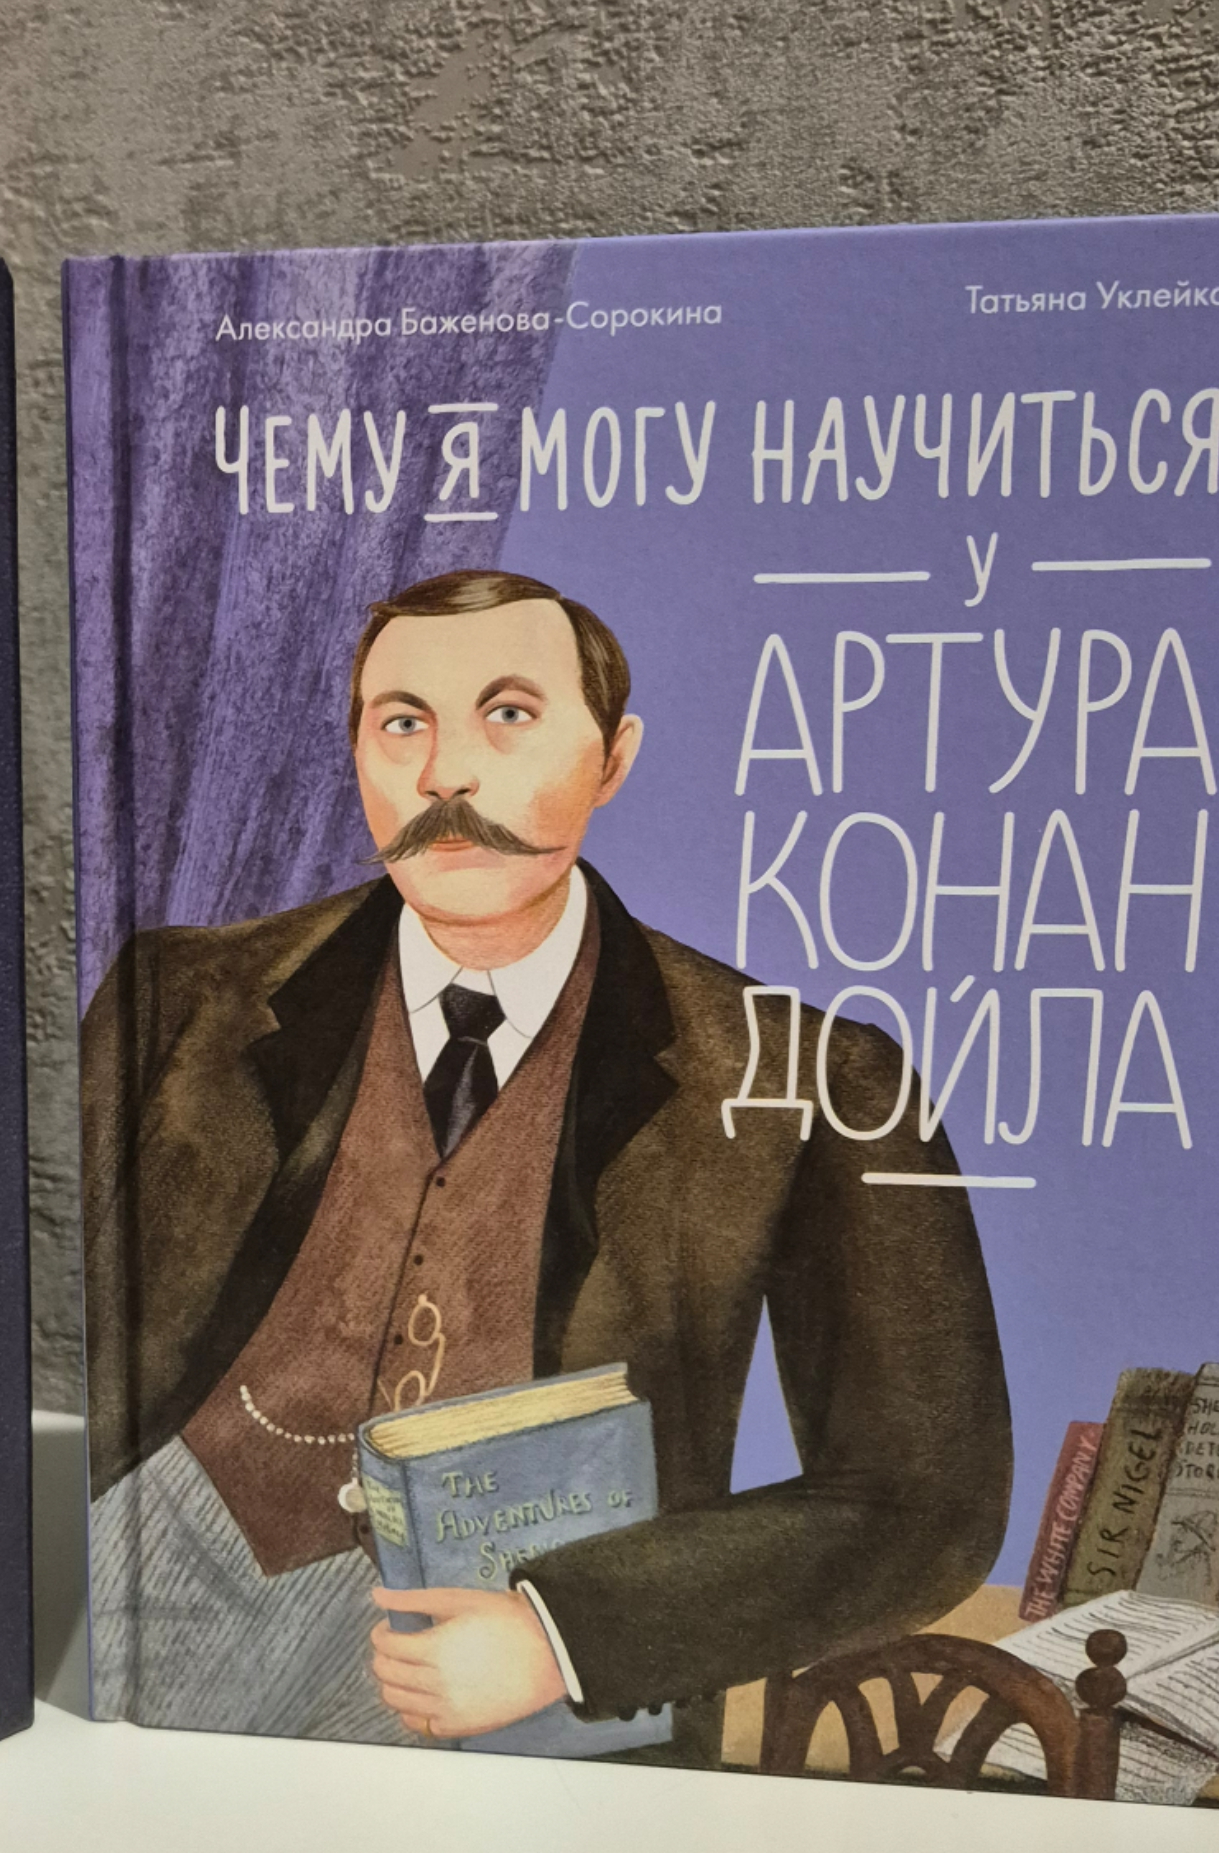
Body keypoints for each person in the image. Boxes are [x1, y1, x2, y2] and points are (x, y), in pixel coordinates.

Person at [81, 569, 1011, 1762]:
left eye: (508, 714)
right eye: (401, 722)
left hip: (505, 1655)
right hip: (147, 1559)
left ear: (612, 758)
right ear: (356, 751)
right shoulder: (177, 1001)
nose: (445, 775)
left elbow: (926, 1497)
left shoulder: (814, 1076)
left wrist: (564, 1634)